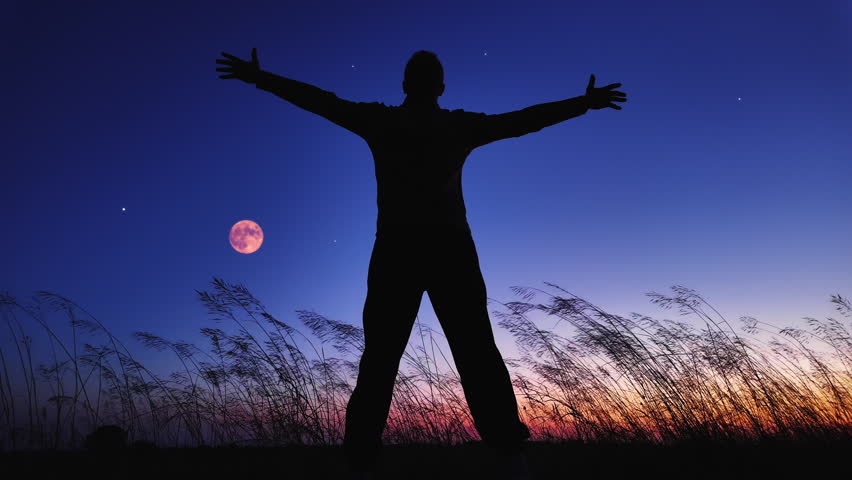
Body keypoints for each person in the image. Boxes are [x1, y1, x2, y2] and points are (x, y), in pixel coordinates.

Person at [216, 48, 627, 479]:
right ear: (439, 87)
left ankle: (370, 461)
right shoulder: (446, 125)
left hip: (407, 250)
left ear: (407, 85)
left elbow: (322, 101)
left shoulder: (387, 121)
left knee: (399, 358)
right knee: (463, 353)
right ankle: (504, 455)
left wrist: (261, 79)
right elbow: (520, 121)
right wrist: (582, 104)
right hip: (438, 250)